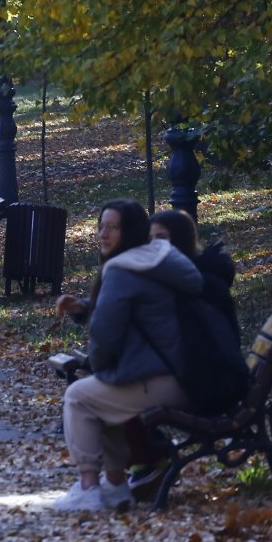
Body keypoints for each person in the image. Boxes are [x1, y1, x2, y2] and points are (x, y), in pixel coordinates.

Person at [52, 199, 201, 513]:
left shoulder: (123, 270)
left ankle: (88, 489)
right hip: (180, 373)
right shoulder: (150, 260)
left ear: (130, 232)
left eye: (113, 228)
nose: (104, 235)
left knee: (80, 396)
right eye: (101, 227)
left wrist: (101, 370)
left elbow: (105, 336)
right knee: (100, 397)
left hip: (161, 379)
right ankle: (117, 487)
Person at [152, 208, 240, 342]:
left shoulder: (203, 284)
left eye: (161, 237)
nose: (153, 245)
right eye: (149, 239)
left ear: (180, 240)